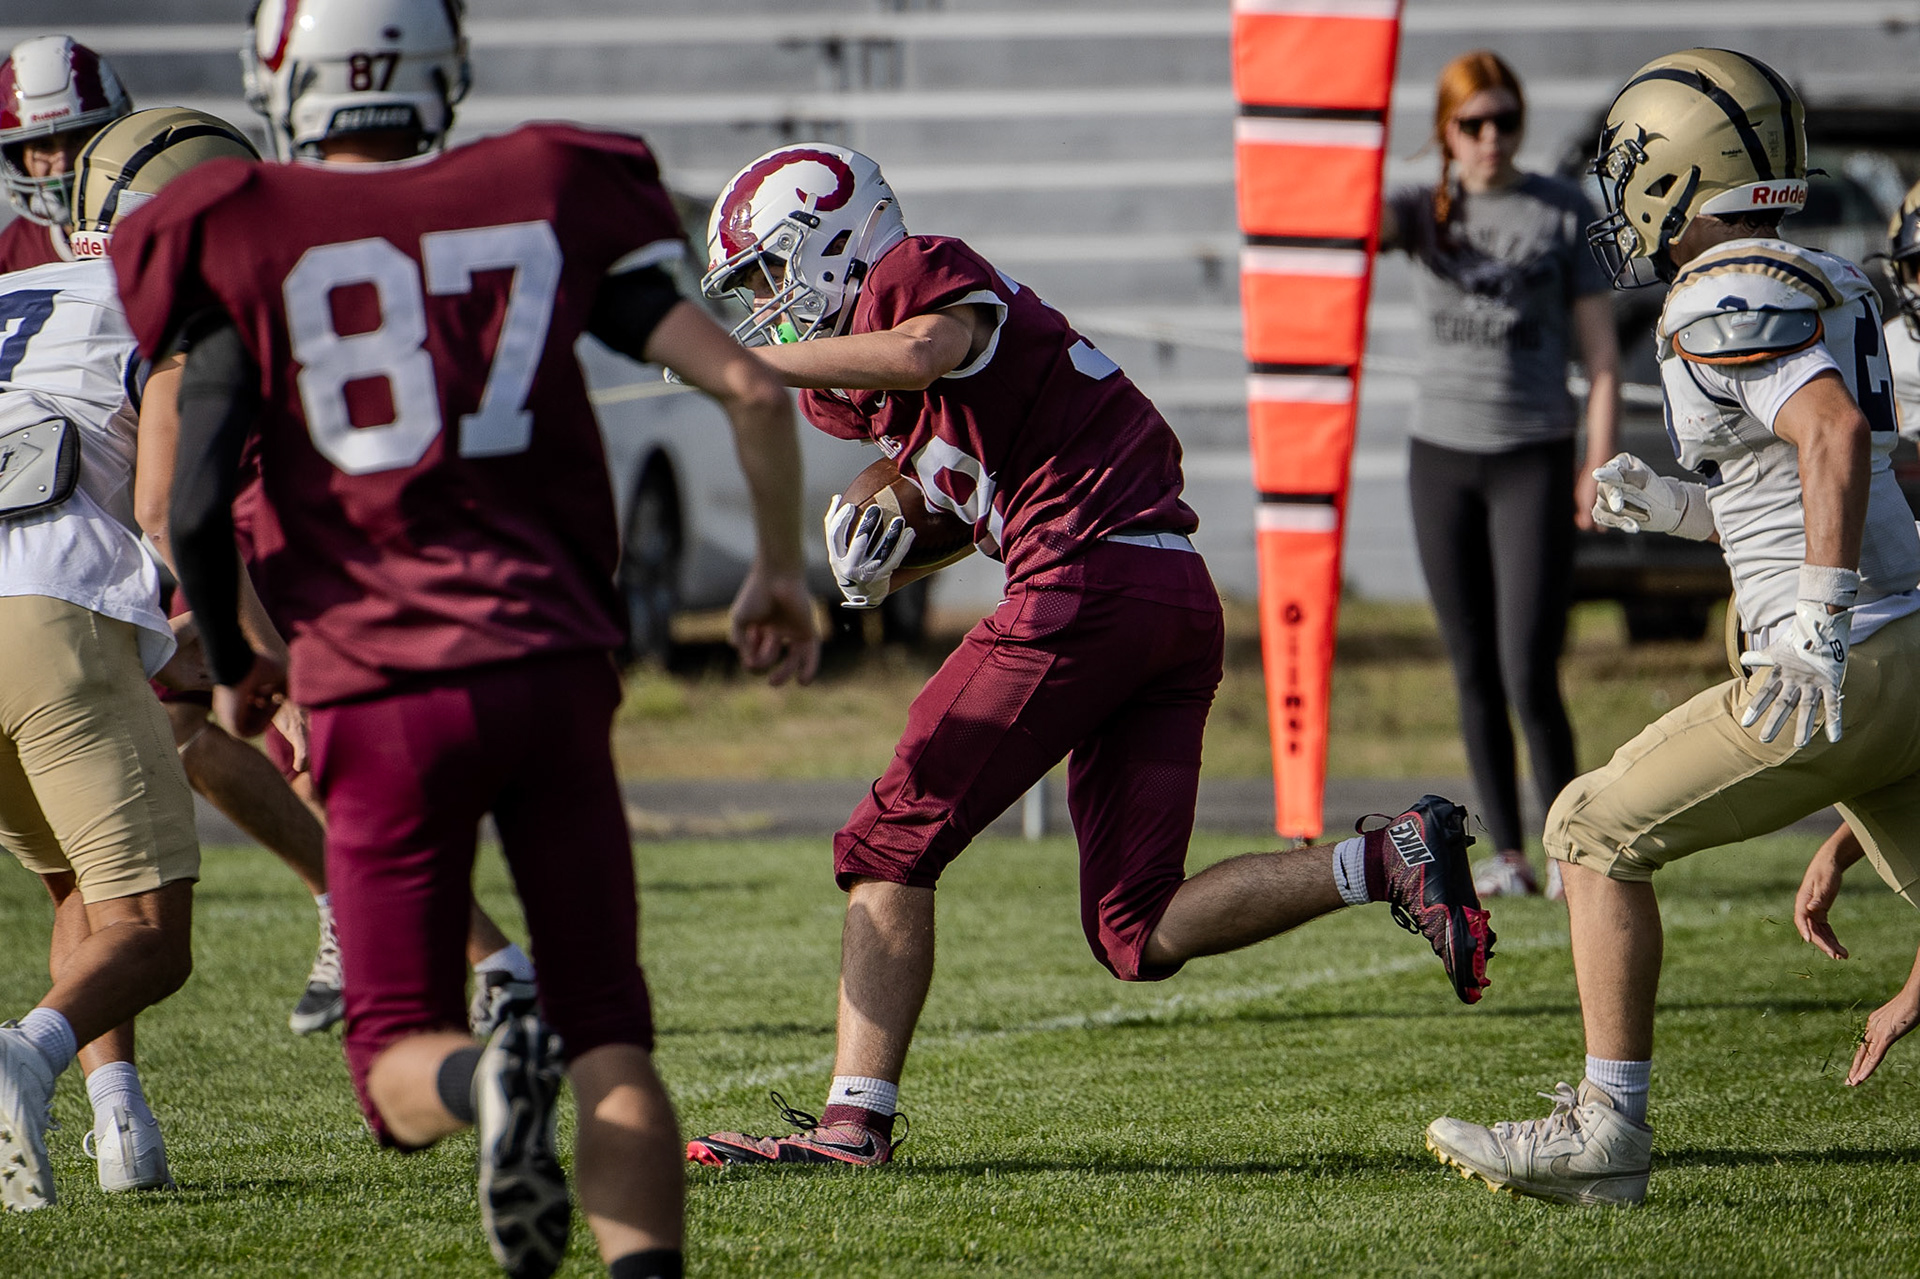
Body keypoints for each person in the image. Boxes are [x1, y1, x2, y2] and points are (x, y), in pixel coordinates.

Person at [109, 0, 819, 1273]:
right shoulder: (541, 187)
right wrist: (775, 569)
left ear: (285, 75)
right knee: (611, 1039)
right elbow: (755, 389)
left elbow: (193, 505)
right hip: (553, 667)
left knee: (395, 1069)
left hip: (378, 685)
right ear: (443, 70)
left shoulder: (233, 224)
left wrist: (237, 654)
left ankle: (488, 1080)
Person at [683, 144, 1495, 1170]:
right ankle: (1387, 856)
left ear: (831, 240)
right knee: (1135, 927)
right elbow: (972, 490)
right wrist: (888, 540)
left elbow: (921, 350)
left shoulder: (915, 274)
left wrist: (746, 373)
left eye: (768, 271)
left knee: (889, 840)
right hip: (1165, 592)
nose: (765, 307)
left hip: (1086, 579)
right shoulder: (861, 383)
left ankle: (853, 1126)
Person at [1425, 48, 1920, 1207]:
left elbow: (1837, 438)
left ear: (1678, 174)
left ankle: (1606, 1133)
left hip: (1844, 657)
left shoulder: (1716, 290)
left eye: (1631, 171)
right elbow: (1839, 480)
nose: (1619, 199)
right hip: (1909, 646)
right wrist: (1681, 508)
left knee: (1586, 828)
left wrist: (1818, 616)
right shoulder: (1831, 276)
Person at [70, 104, 539, 1039]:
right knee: (201, 732)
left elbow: (174, 504)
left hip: (268, 549)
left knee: (321, 763)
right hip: (242, 549)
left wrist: (254, 647)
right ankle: (426, 938)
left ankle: (479, 962)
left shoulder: (217, 323)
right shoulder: (258, 285)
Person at [1380, 50, 1622, 899]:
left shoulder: (1562, 210)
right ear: (1446, 131)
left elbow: (1601, 356)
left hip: (1532, 455)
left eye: (1504, 120)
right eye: (1472, 123)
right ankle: (1509, 854)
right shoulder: (1420, 211)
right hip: (1440, 457)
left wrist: (1595, 463)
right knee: (1473, 664)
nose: (1490, 137)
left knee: (1528, 665)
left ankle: (1568, 848)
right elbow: (1340, 230)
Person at [0, 255, 204, 1208]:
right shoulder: (171, 299)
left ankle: (123, 1134)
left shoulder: (17, 290)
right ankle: (23, 1054)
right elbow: (168, 507)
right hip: (51, 609)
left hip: (33, 605)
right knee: (152, 934)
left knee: (80, 886)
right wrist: (245, 639)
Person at [0, 35, 132, 271]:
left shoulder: (163, 228)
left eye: (78, 138)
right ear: (18, 159)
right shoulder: (10, 258)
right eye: (43, 145)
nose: (62, 163)